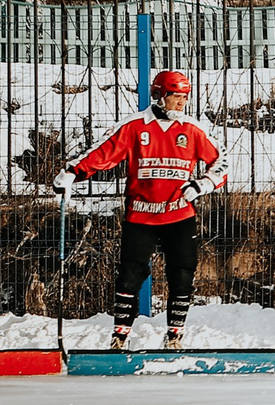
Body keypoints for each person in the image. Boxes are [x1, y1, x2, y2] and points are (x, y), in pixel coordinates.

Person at [58, 68, 226, 351]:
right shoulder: (135, 126)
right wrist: (73, 172)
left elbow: (220, 163)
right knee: (129, 275)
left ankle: (174, 337)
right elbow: (104, 152)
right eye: (176, 97)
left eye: (185, 97)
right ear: (160, 96)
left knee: (182, 275)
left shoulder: (193, 129)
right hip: (141, 215)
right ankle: (120, 337)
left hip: (179, 215)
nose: (181, 103)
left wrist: (202, 185)